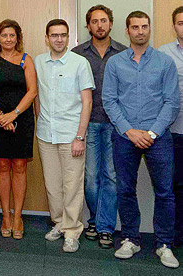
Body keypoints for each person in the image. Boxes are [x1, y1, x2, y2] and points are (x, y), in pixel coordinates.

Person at [103, 11, 180, 268]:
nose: (140, 31)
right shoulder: (115, 63)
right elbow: (109, 101)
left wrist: (152, 133)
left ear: (150, 29)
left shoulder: (164, 62)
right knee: (124, 189)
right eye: (135, 27)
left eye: (144, 26)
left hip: (158, 137)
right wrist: (129, 131)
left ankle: (165, 244)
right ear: (127, 31)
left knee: (165, 192)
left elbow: (171, 102)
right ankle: (130, 239)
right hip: (125, 136)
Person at [35, 19, 94, 253]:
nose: (59, 39)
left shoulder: (80, 63)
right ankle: (59, 222)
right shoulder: (39, 62)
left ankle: (72, 231)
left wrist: (80, 136)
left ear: (68, 38)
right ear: (47, 37)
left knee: (72, 186)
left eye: (63, 35)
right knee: (52, 185)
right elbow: (36, 95)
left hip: (72, 136)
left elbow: (87, 101)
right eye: (54, 35)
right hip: (46, 135)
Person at [71, 4, 127, 249]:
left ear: (111, 24)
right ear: (88, 25)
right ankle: (93, 219)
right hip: (89, 124)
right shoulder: (77, 54)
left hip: (116, 125)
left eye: (104, 21)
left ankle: (105, 227)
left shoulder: (123, 53)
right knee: (91, 178)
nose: (100, 25)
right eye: (95, 21)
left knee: (111, 177)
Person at [0, 19, 37, 239]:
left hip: (21, 118)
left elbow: (32, 91)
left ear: (17, 38)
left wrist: (13, 114)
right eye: (4, 35)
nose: (8, 39)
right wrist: (0, 116)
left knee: (21, 166)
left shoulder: (26, 60)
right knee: (3, 166)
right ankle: (5, 215)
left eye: (12, 35)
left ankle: (18, 217)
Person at [159, 5, 183, 249]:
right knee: (175, 185)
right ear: (174, 26)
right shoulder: (163, 54)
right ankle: (175, 236)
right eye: (180, 22)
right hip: (175, 129)